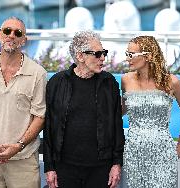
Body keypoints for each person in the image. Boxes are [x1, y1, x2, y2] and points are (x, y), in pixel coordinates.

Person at [0, 16, 47, 188]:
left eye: (17, 33)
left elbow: (39, 117)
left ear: (24, 40)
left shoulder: (37, 73)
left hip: (24, 161)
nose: (11, 35)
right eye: (7, 31)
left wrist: (18, 146)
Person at [43, 30, 125, 188]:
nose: (102, 58)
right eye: (97, 54)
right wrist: (49, 167)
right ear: (80, 56)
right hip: (64, 168)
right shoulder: (57, 82)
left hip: (101, 168)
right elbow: (49, 128)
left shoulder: (109, 83)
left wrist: (116, 163)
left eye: (104, 53)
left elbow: (116, 126)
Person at [122, 35, 180, 187]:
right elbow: (121, 111)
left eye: (130, 54)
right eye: (127, 54)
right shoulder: (126, 80)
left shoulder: (172, 82)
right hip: (133, 152)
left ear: (148, 56)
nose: (127, 58)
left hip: (163, 152)